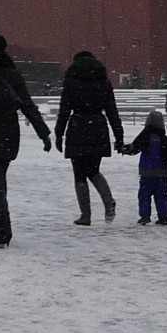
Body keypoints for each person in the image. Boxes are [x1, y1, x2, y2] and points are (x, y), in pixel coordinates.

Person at [0, 33, 52, 248]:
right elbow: (27, 104)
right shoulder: (11, 71)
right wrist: (43, 132)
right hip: (9, 130)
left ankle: (4, 229)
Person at [55, 51, 123, 226]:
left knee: (79, 174)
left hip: (77, 127)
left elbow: (64, 110)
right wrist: (119, 136)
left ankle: (86, 215)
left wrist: (58, 133)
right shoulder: (103, 82)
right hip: (98, 127)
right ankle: (108, 201)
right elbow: (112, 111)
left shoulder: (71, 82)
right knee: (93, 170)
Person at [121, 110, 167, 225]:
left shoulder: (144, 137)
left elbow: (134, 148)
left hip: (147, 173)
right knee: (161, 196)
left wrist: (124, 149)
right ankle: (163, 218)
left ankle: (145, 216)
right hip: (162, 174)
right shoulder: (165, 140)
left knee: (144, 196)